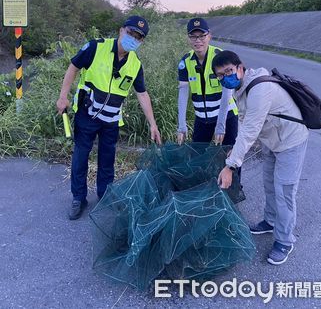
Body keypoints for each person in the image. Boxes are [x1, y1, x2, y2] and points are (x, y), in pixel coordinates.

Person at [56, 15, 161, 220]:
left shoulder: (135, 64)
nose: (133, 39)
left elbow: (142, 94)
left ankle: (105, 194)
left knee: (107, 159)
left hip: (111, 120)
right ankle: (79, 197)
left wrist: (153, 124)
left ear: (142, 42)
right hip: (87, 115)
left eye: (138, 37)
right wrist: (63, 96)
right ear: (121, 31)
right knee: (80, 156)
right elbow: (73, 67)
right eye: (131, 33)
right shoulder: (97, 47)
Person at [212, 50, 309, 265]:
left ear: (240, 67)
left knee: (284, 191)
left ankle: (285, 240)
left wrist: (230, 166)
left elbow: (250, 130)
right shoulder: (240, 88)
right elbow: (244, 122)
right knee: (269, 184)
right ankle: (271, 220)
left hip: (290, 141)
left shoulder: (260, 88)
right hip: (271, 140)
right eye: (219, 75)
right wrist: (235, 150)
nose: (224, 77)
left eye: (228, 71)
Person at [177, 17, 239, 147]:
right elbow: (183, 93)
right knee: (197, 157)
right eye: (193, 36)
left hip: (226, 118)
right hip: (202, 120)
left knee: (229, 158)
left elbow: (227, 92)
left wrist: (220, 126)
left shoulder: (220, 56)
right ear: (188, 38)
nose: (198, 40)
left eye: (202, 36)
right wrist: (181, 125)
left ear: (209, 35)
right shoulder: (186, 61)